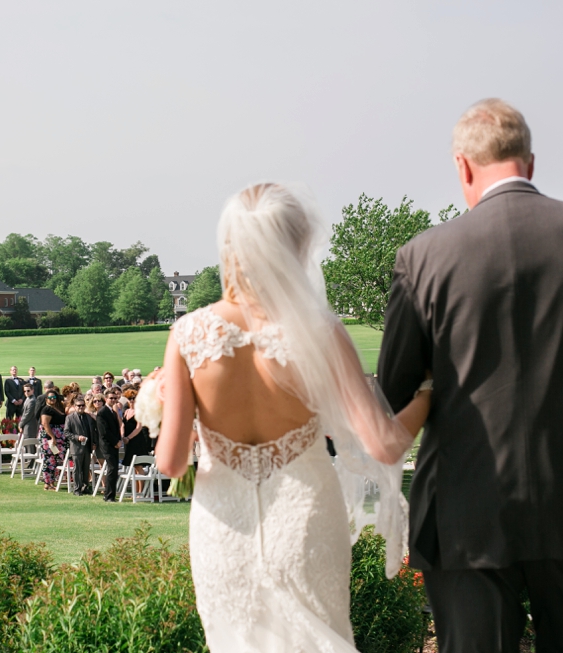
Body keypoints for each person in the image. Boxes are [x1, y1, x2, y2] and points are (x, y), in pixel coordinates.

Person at [379, 98, 563, 653]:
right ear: (530, 164)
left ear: (463, 166)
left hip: (466, 513)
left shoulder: (423, 257)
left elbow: (392, 390)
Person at [156, 182, 428, 651]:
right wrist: (429, 392)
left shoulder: (189, 335)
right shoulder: (319, 332)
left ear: (229, 248)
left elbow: (171, 464)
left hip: (222, 529)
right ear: (298, 246)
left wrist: (160, 402)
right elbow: (384, 445)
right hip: (305, 522)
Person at [120, 388, 151, 493]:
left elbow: (138, 428)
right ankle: (135, 491)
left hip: (137, 441)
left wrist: (128, 438)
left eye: (133, 398)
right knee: (132, 467)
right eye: (129, 398)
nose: (131, 400)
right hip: (128, 442)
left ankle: (141, 492)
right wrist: (123, 436)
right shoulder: (127, 411)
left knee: (138, 466)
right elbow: (123, 425)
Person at [63, 397, 96, 495]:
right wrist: (77, 437)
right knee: (77, 469)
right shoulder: (70, 417)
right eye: (79, 406)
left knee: (86, 468)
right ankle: (77, 489)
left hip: (87, 447)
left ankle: (85, 487)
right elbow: (66, 432)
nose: (81, 407)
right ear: (74, 406)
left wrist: (94, 442)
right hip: (76, 447)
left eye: (82, 405)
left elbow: (93, 431)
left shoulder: (88, 417)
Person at [95, 388, 123, 503]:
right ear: (106, 399)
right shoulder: (102, 412)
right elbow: (104, 432)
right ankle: (109, 496)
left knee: (114, 469)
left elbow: (116, 429)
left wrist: (119, 440)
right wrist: (116, 442)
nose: (113, 400)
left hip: (114, 444)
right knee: (112, 469)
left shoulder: (112, 411)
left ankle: (110, 494)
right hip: (107, 445)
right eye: (111, 398)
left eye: (115, 398)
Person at [38, 390, 67, 491]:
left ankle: (52, 482)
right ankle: (47, 483)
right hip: (50, 439)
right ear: (46, 399)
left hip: (59, 438)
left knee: (55, 460)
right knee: (49, 460)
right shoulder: (46, 409)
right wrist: (52, 437)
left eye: (54, 397)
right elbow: (45, 424)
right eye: (50, 398)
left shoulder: (56, 408)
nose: (53, 399)